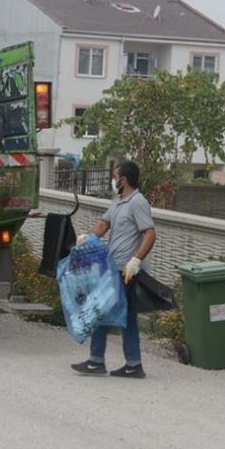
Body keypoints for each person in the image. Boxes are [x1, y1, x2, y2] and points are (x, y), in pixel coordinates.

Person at [71, 162, 156, 379]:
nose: (113, 178)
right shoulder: (119, 201)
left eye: (115, 175)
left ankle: (99, 362)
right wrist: (87, 238)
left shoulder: (138, 202)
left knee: (110, 312)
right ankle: (130, 364)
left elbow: (150, 234)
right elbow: (103, 224)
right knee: (119, 314)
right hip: (113, 268)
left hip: (126, 270)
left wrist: (135, 261)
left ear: (124, 180)